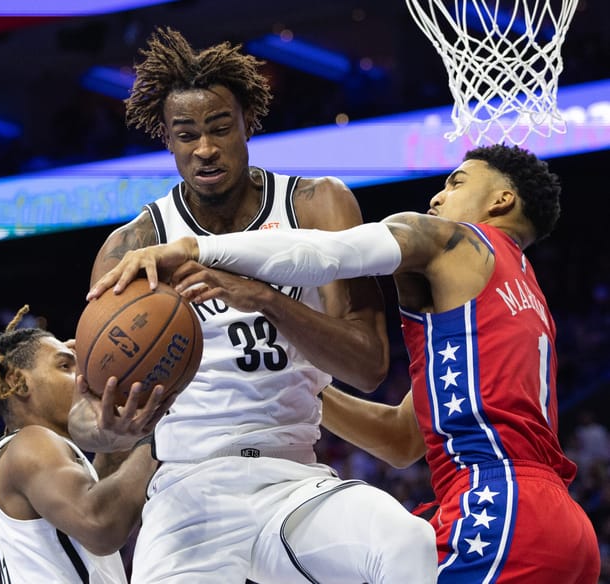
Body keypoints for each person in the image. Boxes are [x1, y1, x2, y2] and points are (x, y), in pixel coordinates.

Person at [89, 143, 602, 583]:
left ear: (501, 199)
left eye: (457, 181)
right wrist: (285, 381)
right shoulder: (524, 295)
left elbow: (325, 254)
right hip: (563, 524)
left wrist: (195, 248)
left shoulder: (455, 239)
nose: (437, 195)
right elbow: (403, 439)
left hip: (496, 506)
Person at [74, 27, 438, 583]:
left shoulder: (318, 203)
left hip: (295, 480)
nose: (205, 148)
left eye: (220, 128)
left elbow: (367, 366)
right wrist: (112, 428)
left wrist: (263, 297)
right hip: (186, 493)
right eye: (186, 134)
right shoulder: (133, 246)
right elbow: (85, 413)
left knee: (406, 541)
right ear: (167, 142)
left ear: (249, 122)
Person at [0, 282, 165, 583]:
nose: (82, 377)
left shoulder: (34, 454)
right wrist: (162, 433)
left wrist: (122, 438)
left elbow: (106, 503)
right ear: (18, 382)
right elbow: (100, 523)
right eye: (65, 366)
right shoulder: (29, 443)